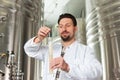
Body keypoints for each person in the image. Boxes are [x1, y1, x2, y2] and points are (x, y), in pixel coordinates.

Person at [24, 13, 102, 80]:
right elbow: (29, 50)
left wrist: (68, 67)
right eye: (60, 26)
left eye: (68, 25)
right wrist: (38, 38)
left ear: (75, 28)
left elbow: (96, 72)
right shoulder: (50, 49)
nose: (64, 29)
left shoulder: (85, 51)